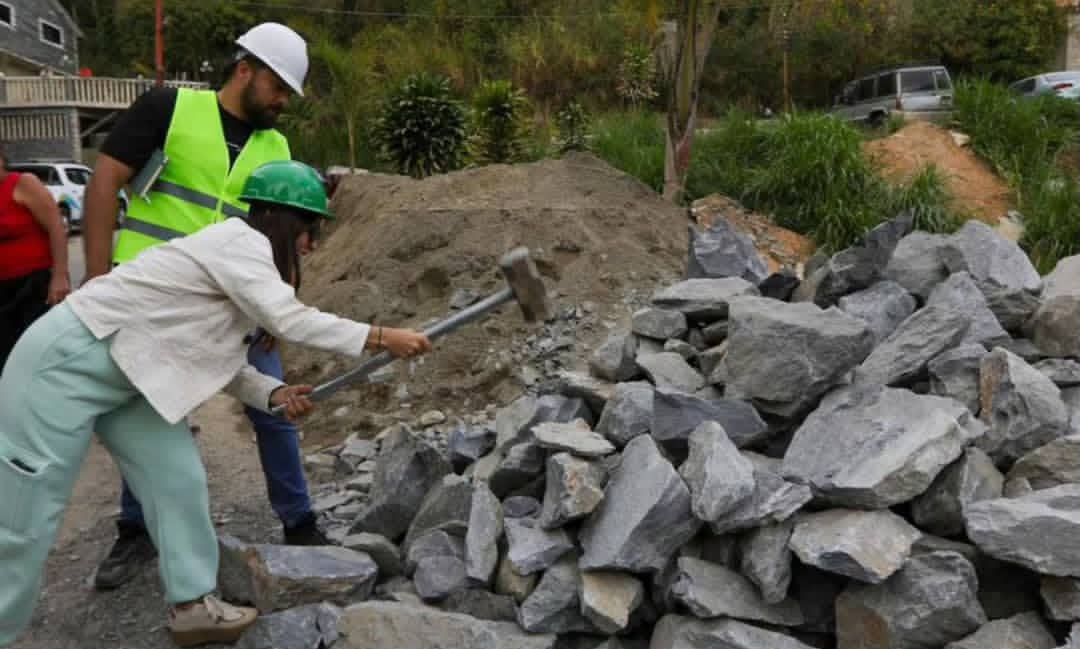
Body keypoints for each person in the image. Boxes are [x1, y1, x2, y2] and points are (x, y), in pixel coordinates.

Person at [0, 160, 433, 647]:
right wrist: (379, 337)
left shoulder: (245, 269)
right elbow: (290, 319)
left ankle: (191, 606)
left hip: (130, 375)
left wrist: (273, 394)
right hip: (64, 362)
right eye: (310, 229)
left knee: (177, 480)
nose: (312, 244)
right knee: (25, 516)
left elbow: (217, 356)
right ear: (281, 220)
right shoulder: (240, 245)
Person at [81, 22, 332, 592]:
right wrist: (97, 284)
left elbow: (280, 235)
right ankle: (135, 530)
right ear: (246, 69)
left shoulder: (276, 147)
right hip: (153, 297)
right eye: (279, 88)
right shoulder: (168, 109)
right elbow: (104, 184)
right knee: (152, 412)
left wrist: (277, 308)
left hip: (232, 306)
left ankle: (300, 524)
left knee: (273, 406)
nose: (284, 102)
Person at [0, 146, 70, 370]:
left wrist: (60, 275)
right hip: (2, 291)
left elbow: (56, 227)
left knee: (35, 354)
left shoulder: (24, 183)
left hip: (32, 286)